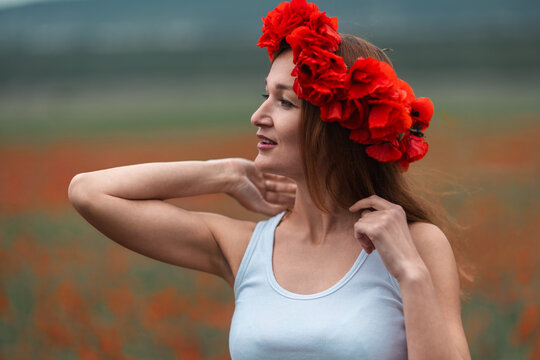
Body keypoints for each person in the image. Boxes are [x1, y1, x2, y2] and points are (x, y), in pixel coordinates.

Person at [68, 0, 471, 359]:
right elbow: (88, 192)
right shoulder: (245, 249)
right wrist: (226, 174)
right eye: (264, 95)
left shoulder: (414, 247)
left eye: (285, 101)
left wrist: (410, 274)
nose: (258, 116)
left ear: (335, 124)